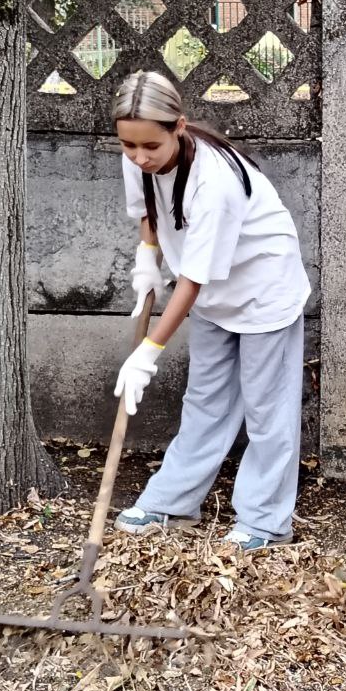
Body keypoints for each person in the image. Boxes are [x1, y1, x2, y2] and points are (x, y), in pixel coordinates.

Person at [108, 70, 311, 552]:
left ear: (178, 126)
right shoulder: (138, 154)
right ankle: (173, 503)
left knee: (267, 410)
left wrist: (149, 352)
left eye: (149, 147)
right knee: (204, 400)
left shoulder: (215, 180)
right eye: (128, 145)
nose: (139, 156)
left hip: (263, 288)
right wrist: (146, 260)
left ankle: (265, 521)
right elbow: (149, 214)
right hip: (212, 294)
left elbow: (195, 280)